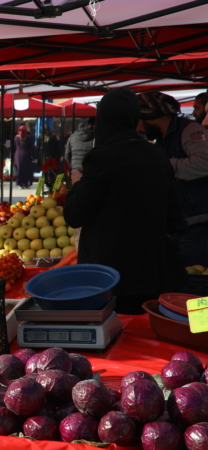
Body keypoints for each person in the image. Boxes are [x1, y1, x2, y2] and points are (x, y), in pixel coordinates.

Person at [65, 88, 185, 315]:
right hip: (154, 275)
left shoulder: (101, 158)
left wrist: (78, 182)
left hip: (111, 279)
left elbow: (74, 214)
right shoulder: (157, 154)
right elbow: (174, 217)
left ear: (103, 118)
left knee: (121, 337)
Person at [137, 91, 208, 267]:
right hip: (179, 224)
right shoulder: (162, 138)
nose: (137, 129)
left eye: (138, 121)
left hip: (197, 223)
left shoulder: (189, 130)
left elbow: (204, 162)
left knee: (195, 283)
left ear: (150, 117)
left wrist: (163, 166)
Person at [13, 124, 35, 189]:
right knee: (27, 170)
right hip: (26, 155)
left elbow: (14, 148)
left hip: (18, 155)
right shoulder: (29, 138)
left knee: (19, 170)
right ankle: (27, 183)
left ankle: (20, 183)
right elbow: (31, 148)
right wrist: (35, 156)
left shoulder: (16, 138)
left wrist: (11, 157)